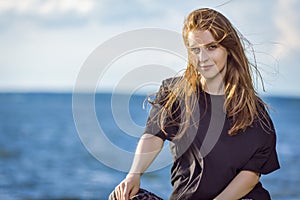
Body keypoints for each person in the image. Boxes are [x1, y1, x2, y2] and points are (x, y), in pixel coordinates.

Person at [109, 7, 280, 200]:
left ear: (229, 49)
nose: (202, 58)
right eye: (195, 50)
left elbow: (250, 176)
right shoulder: (175, 93)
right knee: (121, 197)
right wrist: (134, 174)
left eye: (211, 47)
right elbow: (153, 135)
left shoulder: (254, 112)